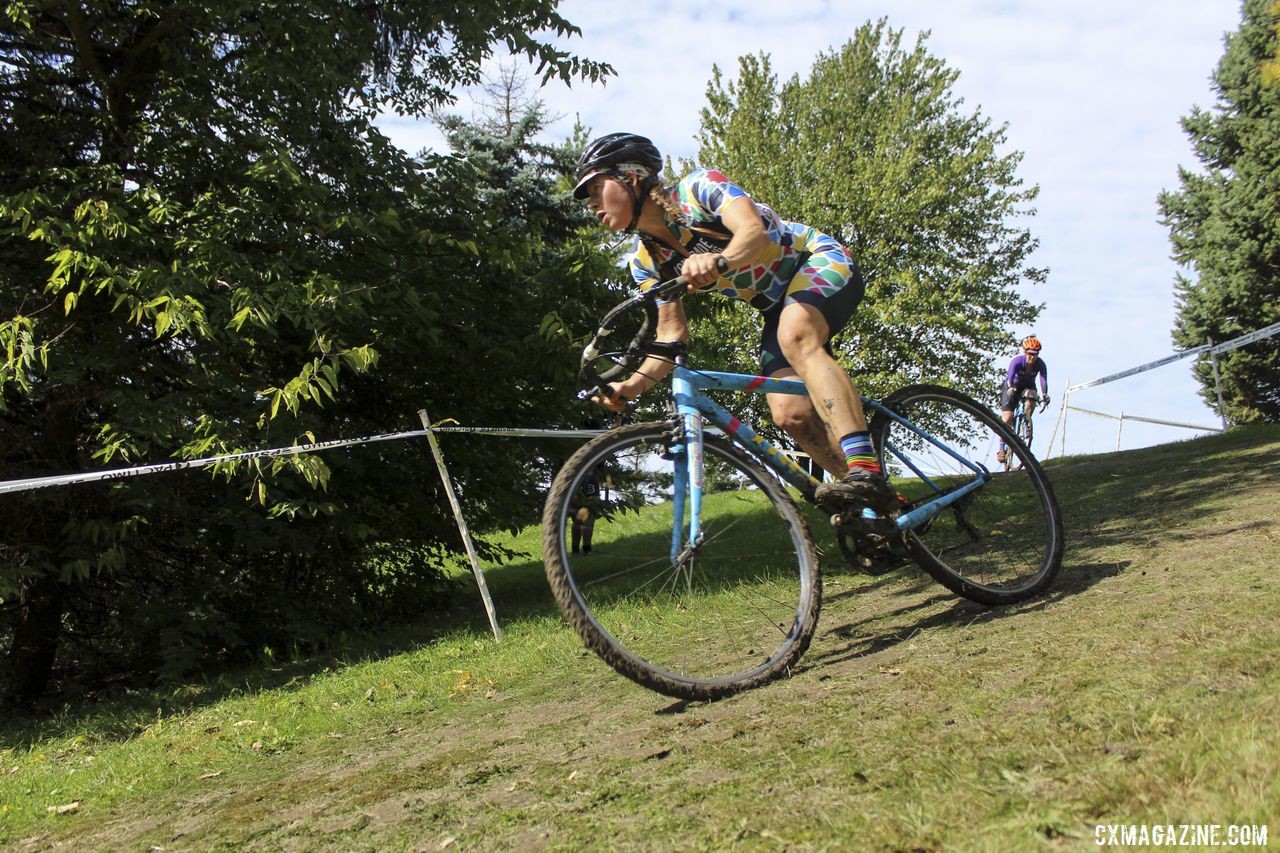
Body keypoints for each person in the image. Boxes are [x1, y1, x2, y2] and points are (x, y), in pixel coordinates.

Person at [573, 132, 896, 514]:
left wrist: (718, 260)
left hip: (816, 262)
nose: (591, 203)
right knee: (790, 415)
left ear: (632, 177)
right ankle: (875, 506)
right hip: (776, 307)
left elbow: (754, 235)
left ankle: (865, 467)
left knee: (795, 335)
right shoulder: (647, 260)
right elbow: (671, 338)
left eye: (596, 187)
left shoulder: (698, 189)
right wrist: (630, 386)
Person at [996, 336, 1049, 463]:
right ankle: (1001, 449)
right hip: (1012, 386)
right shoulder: (1017, 361)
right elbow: (1010, 376)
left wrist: (1045, 394)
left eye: (1035, 354)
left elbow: (1043, 379)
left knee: (1032, 396)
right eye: (1030, 354)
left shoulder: (1040, 364)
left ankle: (1027, 420)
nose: (1033, 357)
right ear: (1025, 352)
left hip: (1028, 386)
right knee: (1007, 418)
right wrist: (1010, 388)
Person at [569, 467, 602, 555]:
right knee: (583, 522)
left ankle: (578, 550)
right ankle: (584, 550)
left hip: (591, 494)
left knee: (581, 522)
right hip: (582, 495)